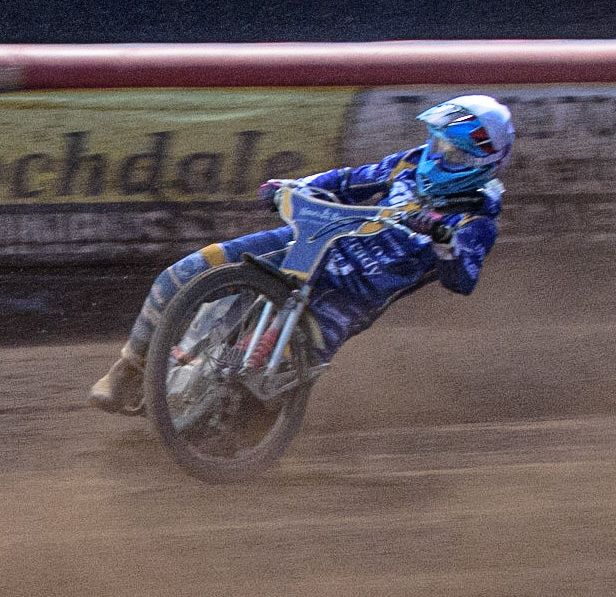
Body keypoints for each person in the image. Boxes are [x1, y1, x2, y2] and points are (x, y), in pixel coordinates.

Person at [89, 94, 513, 415]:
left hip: (348, 298)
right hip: (309, 246)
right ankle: (128, 370)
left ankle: (218, 444)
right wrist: (292, 185)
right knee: (181, 276)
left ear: (482, 163)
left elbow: (463, 280)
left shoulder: (477, 219)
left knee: (262, 393)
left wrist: (440, 236)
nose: (437, 155)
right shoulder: (409, 163)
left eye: (453, 152)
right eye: (437, 143)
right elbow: (347, 182)